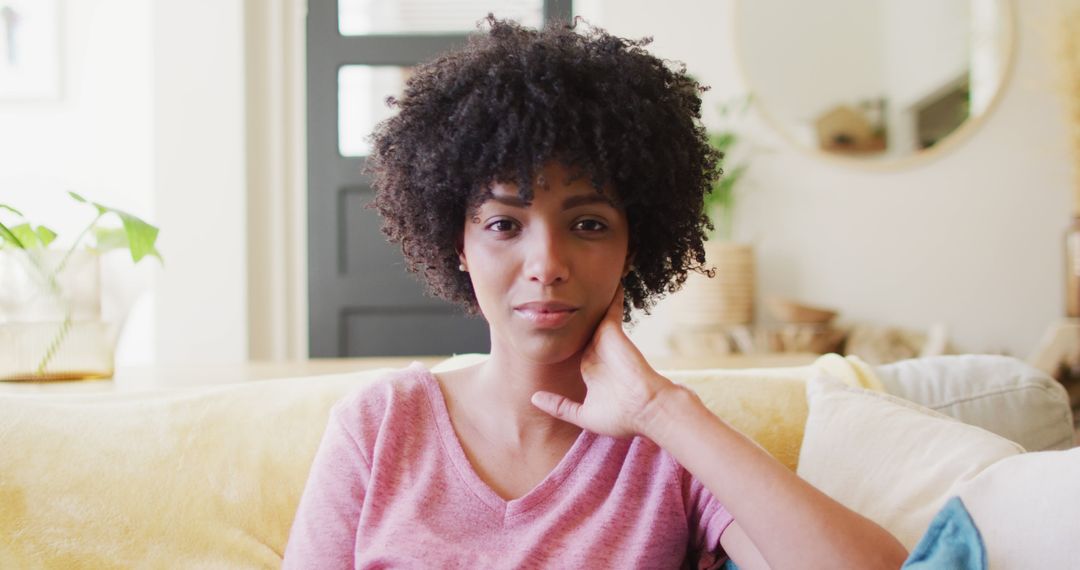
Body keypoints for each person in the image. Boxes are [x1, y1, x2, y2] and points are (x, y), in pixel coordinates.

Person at [283, 16, 908, 569]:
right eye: (504, 224)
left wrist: (661, 411)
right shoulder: (382, 426)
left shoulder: (670, 448)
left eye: (588, 224)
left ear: (633, 245)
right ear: (459, 244)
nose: (547, 263)